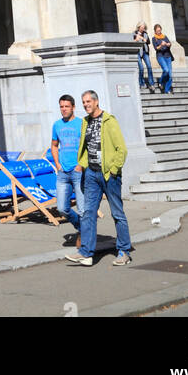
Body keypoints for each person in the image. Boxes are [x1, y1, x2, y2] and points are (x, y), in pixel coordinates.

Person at [64, 90, 132, 267]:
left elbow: (121, 149)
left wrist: (114, 170)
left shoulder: (109, 120)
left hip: (109, 174)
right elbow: (86, 147)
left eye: (88, 102)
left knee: (117, 212)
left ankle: (124, 251)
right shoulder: (85, 122)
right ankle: (86, 253)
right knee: (88, 213)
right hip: (91, 175)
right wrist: (82, 164)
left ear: (96, 102)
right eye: (83, 102)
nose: (86, 105)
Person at [51, 93, 85, 243]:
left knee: (82, 209)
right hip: (63, 172)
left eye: (67, 106)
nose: (64, 109)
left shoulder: (82, 123)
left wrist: (81, 165)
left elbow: (88, 146)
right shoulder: (57, 125)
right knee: (61, 209)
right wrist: (57, 164)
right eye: (61, 107)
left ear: (73, 108)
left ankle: (85, 237)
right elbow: (54, 145)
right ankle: (83, 228)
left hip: (78, 171)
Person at [152, 24, 174, 94]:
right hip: (160, 56)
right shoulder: (154, 38)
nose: (159, 31)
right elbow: (156, 48)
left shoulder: (164, 36)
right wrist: (161, 45)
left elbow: (169, 43)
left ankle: (167, 90)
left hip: (168, 56)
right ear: (155, 31)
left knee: (170, 75)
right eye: (157, 30)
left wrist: (168, 44)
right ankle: (161, 82)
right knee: (166, 70)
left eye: (160, 30)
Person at [134, 22, 155, 92]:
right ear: (139, 27)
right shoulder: (134, 33)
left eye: (144, 27)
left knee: (149, 67)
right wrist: (136, 39)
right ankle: (141, 83)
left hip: (145, 52)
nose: (143, 28)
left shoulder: (145, 34)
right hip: (138, 52)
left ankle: (151, 83)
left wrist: (143, 38)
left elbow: (148, 42)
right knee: (141, 68)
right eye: (142, 27)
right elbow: (133, 41)